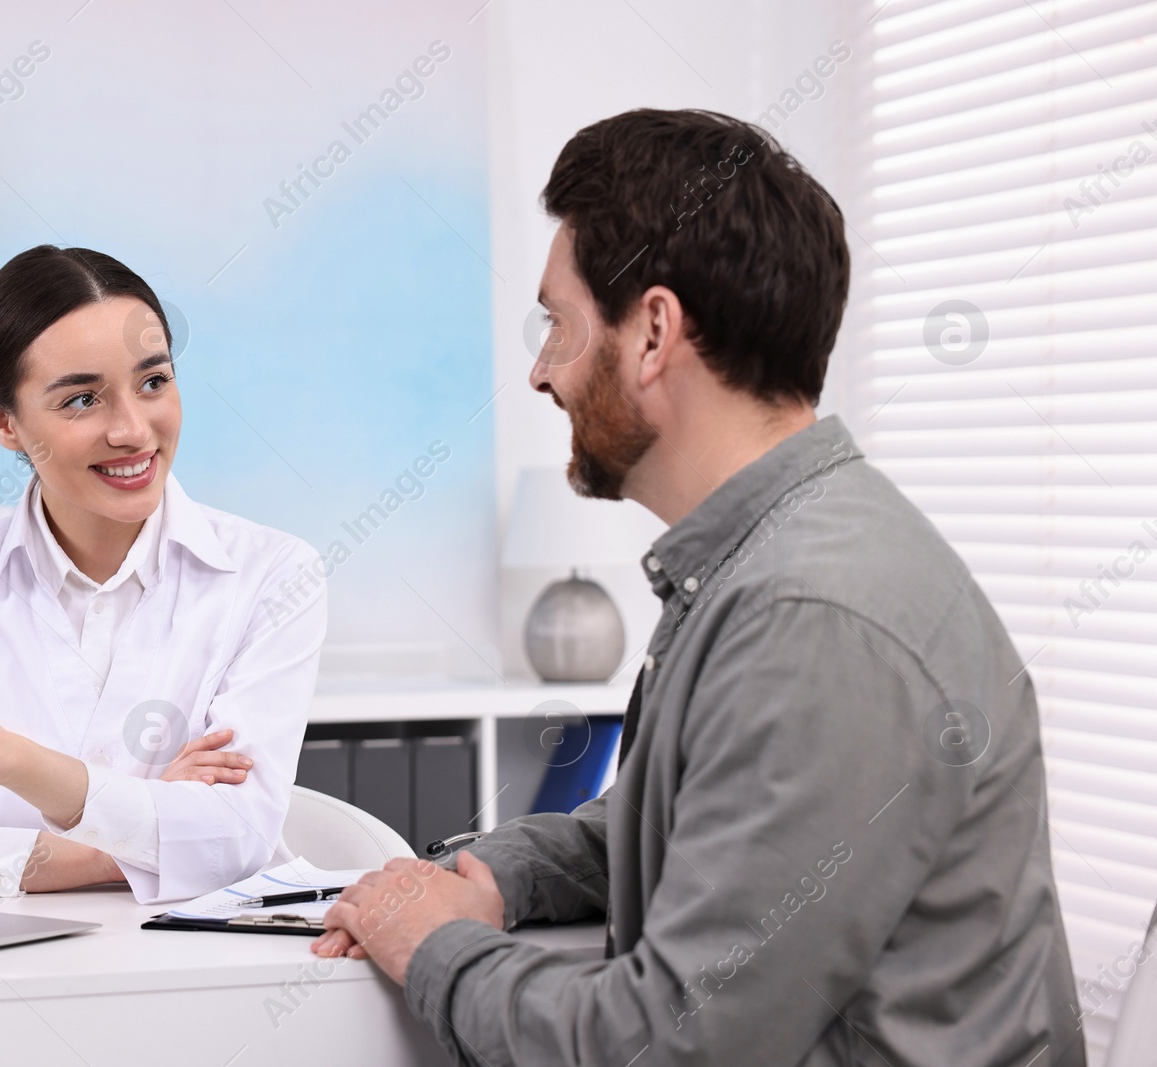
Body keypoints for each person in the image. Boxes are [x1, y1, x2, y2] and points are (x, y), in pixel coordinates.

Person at [312, 109, 1085, 1065]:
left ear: (652, 334)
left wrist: (435, 945)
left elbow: (665, 1046)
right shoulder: (771, 559)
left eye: (557, 324)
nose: (541, 372)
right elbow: (686, 821)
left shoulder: (813, 619)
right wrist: (491, 873)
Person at [0, 245, 326, 904]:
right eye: (83, 399)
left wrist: (21, 766)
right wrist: (130, 838)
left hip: (202, 971)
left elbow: (235, 840)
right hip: (2, 975)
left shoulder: (273, 575)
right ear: (2, 419)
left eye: (153, 382)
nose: (134, 430)